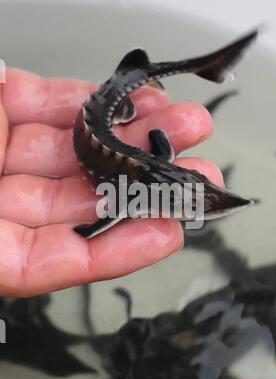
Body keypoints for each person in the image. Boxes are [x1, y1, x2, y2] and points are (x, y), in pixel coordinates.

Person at [0, 68, 224, 297]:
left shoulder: (161, 161)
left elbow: (157, 137)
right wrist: (90, 230)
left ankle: (139, 72)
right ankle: (139, 72)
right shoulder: (135, 196)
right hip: (94, 130)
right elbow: (156, 138)